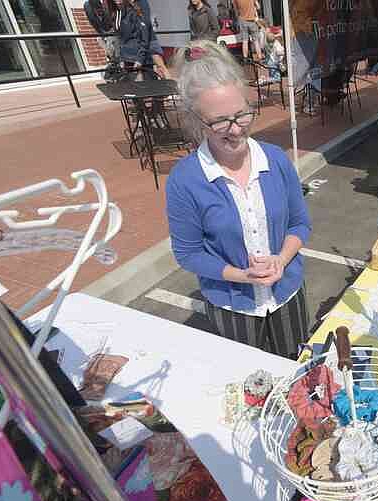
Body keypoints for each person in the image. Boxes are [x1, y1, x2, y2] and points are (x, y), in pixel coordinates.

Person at [166, 41, 311, 358]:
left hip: (287, 294)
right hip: (232, 305)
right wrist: (243, 276)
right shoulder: (184, 180)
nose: (235, 130)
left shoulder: (276, 159)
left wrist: (281, 259)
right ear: (196, 121)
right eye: (219, 121)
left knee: (296, 369)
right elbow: (189, 254)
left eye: (242, 115)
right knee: (243, 380)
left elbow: (300, 224)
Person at [117, 0, 168, 79]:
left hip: (149, 40)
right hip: (139, 43)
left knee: (161, 67)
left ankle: (171, 84)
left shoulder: (141, 3)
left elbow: (145, 24)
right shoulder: (125, 8)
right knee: (145, 72)